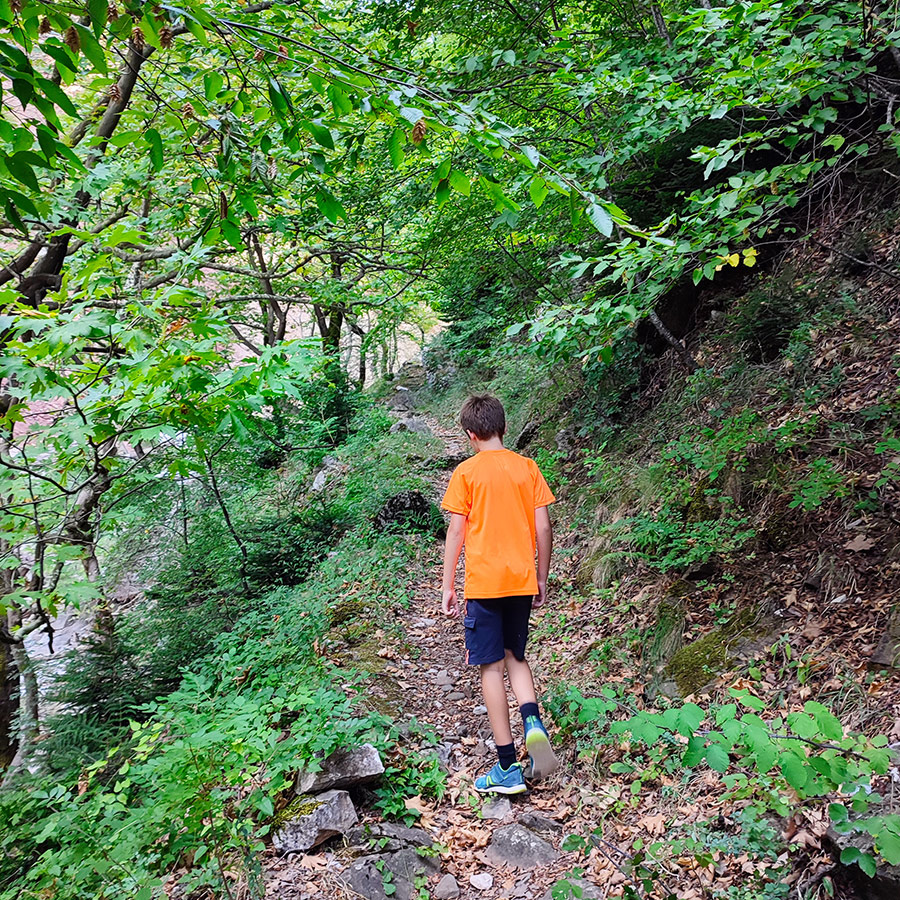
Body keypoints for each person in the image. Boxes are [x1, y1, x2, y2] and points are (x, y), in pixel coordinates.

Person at [440, 394, 558, 795]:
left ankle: (507, 767)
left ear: (471, 435)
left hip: (485, 585)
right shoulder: (528, 468)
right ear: (504, 429)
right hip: (522, 582)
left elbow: (456, 531)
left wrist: (447, 584)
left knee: (491, 667)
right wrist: (541, 576)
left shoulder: (466, 473)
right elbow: (544, 528)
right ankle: (533, 722)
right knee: (516, 657)